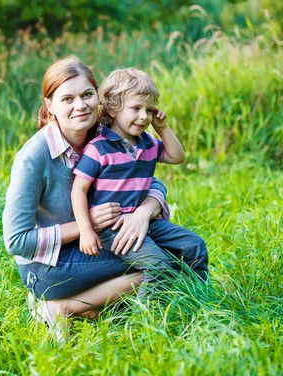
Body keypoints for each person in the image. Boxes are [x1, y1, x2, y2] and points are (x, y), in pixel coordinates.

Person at [2, 56, 199, 340]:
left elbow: (151, 181)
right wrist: (87, 225)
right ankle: (62, 306)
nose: (80, 105)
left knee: (182, 250)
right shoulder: (34, 158)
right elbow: (16, 241)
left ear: (100, 98)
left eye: (86, 95)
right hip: (48, 266)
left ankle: (99, 306)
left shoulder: (105, 136)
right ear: (50, 106)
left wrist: (143, 212)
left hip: (96, 244)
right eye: (67, 99)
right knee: (166, 260)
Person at [71, 67, 208, 295]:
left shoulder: (148, 143)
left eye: (149, 110)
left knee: (195, 246)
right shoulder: (99, 148)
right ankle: (149, 321)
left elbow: (177, 157)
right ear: (114, 108)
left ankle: (198, 298)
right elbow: (78, 190)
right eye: (136, 108)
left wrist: (162, 128)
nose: (144, 116)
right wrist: (86, 231)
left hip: (144, 220)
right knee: (158, 265)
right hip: (112, 228)